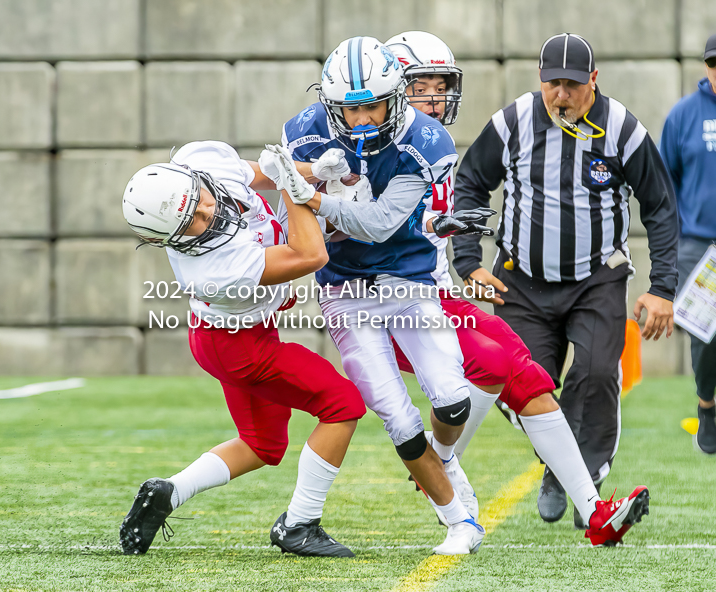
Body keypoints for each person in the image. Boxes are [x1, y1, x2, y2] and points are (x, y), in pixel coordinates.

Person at [367, 30, 648, 544]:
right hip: (382, 300)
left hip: (431, 292)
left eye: (440, 85)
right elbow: (356, 229)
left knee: (530, 381)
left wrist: (459, 251)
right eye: (420, 85)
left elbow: (448, 211)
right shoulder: (365, 151)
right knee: (491, 371)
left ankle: (594, 515)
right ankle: (437, 470)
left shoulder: (429, 143)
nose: (435, 97)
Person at [272, 36, 491, 555]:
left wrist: (314, 196)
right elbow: (282, 205)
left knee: (453, 397)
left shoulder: (426, 140)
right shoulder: (303, 133)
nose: (364, 119)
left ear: (395, 97)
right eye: (351, 108)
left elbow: (378, 224)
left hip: (409, 283)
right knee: (396, 413)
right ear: (331, 105)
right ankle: (459, 521)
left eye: (373, 104)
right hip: (344, 291)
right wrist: (295, 178)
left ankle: (446, 460)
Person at [451, 33, 671, 531]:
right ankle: (558, 466)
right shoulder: (511, 123)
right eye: (554, 84)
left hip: (597, 277)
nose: (563, 95)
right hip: (521, 282)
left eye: (573, 84)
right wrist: (469, 262)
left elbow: (659, 207)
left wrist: (663, 288)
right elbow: (470, 182)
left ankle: (585, 482)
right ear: (540, 79)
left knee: (594, 374)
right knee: (524, 386)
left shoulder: (623, 130)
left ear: (594, 80)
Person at [118, 141, 366, 557]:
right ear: (171, 240)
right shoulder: (212, 270)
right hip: (241, 347)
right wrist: (294, 186)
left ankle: (169, 493)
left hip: (223, 336)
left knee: (262, 445)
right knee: (343, 406)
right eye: (192, 222)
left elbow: (263, 174)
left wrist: (312, 171)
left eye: (199, 201)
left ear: (193, 180)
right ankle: (300, 524)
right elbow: (310, 254)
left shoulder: (200, 161)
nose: (208, 213)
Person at [660, 32, 716, 461]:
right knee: (707, 336)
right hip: (701, 245)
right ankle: (706, 407)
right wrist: (674, 239)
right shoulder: (684, 115)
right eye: (712, 61)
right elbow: (665, 182)